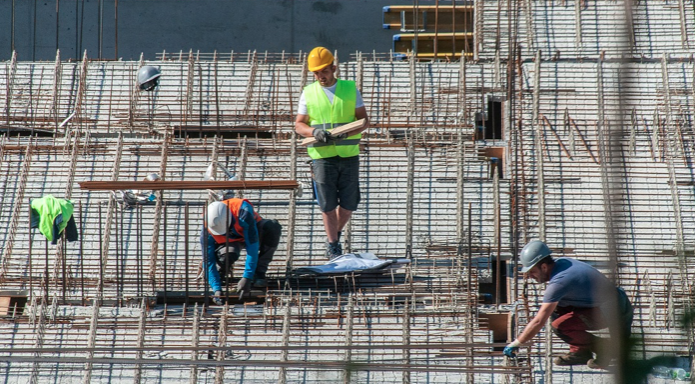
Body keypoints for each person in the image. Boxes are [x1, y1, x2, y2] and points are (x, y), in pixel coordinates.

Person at [503, 240, 633, 369]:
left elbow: (538, 321)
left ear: (543, 266)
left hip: (613, 310)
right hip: (612, 301)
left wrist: (517, 343)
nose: (530, 276)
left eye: (532, 271)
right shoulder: (562, 262)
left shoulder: (559, 282)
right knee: (556, 309)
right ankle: (580, 352)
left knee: (559, 326)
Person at [294, 46, 369, 259]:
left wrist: (348, 132)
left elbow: (364, 121)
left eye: (323, 72)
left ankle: (334, 232)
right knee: (327, 204)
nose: (320, 77)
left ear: (333, 68)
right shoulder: (308, 93)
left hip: (348, 154)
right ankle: (333, 244)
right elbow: (299, 125)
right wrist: (314, 132)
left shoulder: (349, 89)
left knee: (348, 204)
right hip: (322, 157)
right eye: (316, 73)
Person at [201, 199, 282, 305]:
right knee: (226, 256)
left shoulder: (243, 211)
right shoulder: (208, 228)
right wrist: (216, 289)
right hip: (229, 242)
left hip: (251, 232)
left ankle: (259, 273)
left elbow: (252, 248)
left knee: (272, 227)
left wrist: (247, 276)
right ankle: (220, 273)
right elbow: (208, 261)